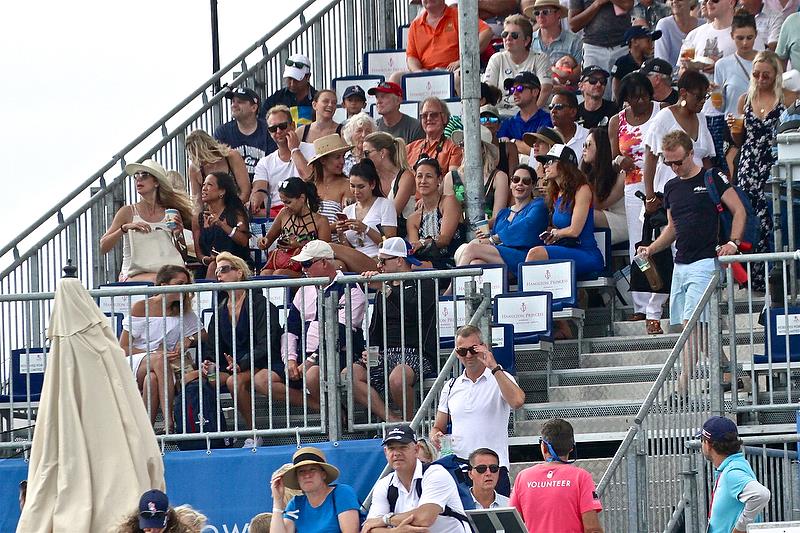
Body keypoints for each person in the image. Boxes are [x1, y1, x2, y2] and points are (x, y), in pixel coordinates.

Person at [637, 131, 745, 393]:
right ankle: (731, 375)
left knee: (691, 325)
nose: (674, 168)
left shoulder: (711, 177)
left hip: (706, 260)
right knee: (699, 327)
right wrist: (651, 248)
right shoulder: (672, 187)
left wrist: (733, 242)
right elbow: (673, 228)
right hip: (681, 262)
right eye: (669, 163)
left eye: (679, 162)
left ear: (690, 154)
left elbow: (739, 210)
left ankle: (682, 386)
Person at [202, 252, 300, 447]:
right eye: (217, 271)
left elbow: (267, 343)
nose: (219, 275)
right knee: (205, 379)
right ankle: (216, 433)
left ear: (239, 273)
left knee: (234, 383)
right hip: (233, 365)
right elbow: (213, 347)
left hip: (261, 362)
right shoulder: (220, 309)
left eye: (224, 269)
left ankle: (253, 432)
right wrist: (209, 364)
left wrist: (242, 363)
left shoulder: (260, 304)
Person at [430, 325, 525, 497]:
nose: (467, 356)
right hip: (460, 467)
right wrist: (435, 435)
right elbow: (438, 426)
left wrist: (494, 367)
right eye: (462, 351)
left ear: (483, 347)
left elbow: (518, 401)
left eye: (473, 350)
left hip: (492, 468)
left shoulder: (500, 377)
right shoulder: (451, 386)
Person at [349, 237, 437, 422]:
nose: (379, 265)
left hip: (416, 352)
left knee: (398, 377)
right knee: (350, 375)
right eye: (378, 261)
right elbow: (375, 328)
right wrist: (369, 351)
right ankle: (392, 420)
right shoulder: (385, 288)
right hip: (385, 353)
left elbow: (413, 314)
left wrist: (387, 291)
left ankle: (410, 424)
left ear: (399, 260)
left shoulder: (424, 282)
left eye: (383, 261)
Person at [609, 72, 667, 330]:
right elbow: (613, 157)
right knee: (639, 245)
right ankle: (641, 305)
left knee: (664, 241)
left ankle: (662, 299)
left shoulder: (662, 111)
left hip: (663, 180)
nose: (640, 102)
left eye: (644, 96)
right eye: (633, 98)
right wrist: (620, 161)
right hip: (634, 187)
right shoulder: (616, 121)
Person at [281, 240, 366, 413]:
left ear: (324, 262)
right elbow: (290, 328)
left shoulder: (350, 287)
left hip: (341, 354)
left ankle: (334, 415)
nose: (303, 270)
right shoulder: (303, 290)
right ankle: (329, 410)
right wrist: (290, 358)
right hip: (304, 356)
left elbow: (341, 333)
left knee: (312, 374)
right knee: (262, 380)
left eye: (306, 264)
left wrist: (311, 360)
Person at [119, 265, 201, 433]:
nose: (184, 289)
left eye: (187, 284)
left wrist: (189, 339)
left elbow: (204, 335)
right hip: (138, 360)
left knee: (152, 379)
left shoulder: (183, 309)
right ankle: (169, 420)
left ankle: (145, 431)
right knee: (158, 360)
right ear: (163, 285)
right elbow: (124, 347)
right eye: (180, 283)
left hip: (165, 366)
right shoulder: (141, 307)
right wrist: (155, 354)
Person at [729, 50, 786, 291]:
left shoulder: (785, 97)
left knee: (774, 219)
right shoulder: (745, 99)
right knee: (752, 219)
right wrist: (734, 129)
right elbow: (740, 142)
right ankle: (754, 278)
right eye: (756, 74)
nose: (761, 79)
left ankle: (776, 275)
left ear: (775, 75)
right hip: (750, 165)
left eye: (766, 75)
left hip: (773, 162)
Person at [100, 159, 193, 282]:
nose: (138, 179)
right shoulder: (128, 212)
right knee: (162, 281)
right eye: (136, 176)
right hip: (134, 274)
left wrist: (178, 233)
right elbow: (103, 246)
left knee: (174, 280)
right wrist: (124, 228)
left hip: (166, 273)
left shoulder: (170, 212)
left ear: (156, 182)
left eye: (144, 175)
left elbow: (183, 255)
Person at [364, 424, 469, 532]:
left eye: (403, 447)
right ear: (386, 452)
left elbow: (424, 518)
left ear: (416, 449)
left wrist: (385, 519)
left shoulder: (436, 473)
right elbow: (368, 529)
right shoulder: (384, 484)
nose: (396, 454)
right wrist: (395, 531)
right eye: (391, 448)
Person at [510, 419, 604, 533]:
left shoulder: (523, 477)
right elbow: (592, 529)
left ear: (544, 446)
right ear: (571, 447)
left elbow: (512, 524)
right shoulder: (581, 477)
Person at [643, 70, 716, 214]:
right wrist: (650, 197)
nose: (703, 101)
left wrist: (712, 188)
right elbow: (650, 159)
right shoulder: (664, 117)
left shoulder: (701, 118)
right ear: (683, 93)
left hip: (698, 193)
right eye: (698, 96)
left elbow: (706, 158)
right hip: (669, 192)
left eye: (705, 97)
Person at [526, 144, 605, 278]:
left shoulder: (582, 189)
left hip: (586, 253)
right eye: (544, 163)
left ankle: (530, 298)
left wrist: (556, 233)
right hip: (567, 249)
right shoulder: (557, 194)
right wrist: (551, 235)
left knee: (535, 254)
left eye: (549, 162)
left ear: (564, 165)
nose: (545, 166)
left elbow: (574, 231)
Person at [456, 164, 548, 272]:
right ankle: (465, 288)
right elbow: (493, 239)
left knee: (472, 248)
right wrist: (486, 237)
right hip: (502, 258)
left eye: (526, 181)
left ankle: (454, 287)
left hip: (526, 256)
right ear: (511, 184)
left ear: (533, 185)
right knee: (476, 263)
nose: (520, 184)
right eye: (516, 180)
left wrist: (493, 239)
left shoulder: (538, 205)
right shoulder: (503, 213)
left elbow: (526, 226)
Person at [698, 416, 771, 533]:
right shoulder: (736, 465)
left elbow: (762, 494)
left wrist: (740, 529)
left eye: (702, 440)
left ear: (708, 444)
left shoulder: (731, 473)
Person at [270, 447, 361, 533]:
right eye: (301, 471)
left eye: (312, 469)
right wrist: (277, 501)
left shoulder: (342, 492)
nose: (307, 475)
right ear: (297, 478)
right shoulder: (296, 503)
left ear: (323, 474)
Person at [401, 0, 493, 82]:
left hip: (454, 71)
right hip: (425, 73)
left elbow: (487, 32)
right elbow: (412, 57)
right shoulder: (415, 25)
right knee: (396, 77)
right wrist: (417, 71)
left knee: (459, 77)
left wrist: (463, 60)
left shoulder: (459, 15)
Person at [257, 177, 331, 277]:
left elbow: (326, 253)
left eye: (288, 202)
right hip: (281, 262)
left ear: (302, 198)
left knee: (280, 274)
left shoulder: (320, 221)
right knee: (265, 274)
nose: (285, 206)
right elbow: (267, 241)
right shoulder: (283, 213)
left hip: (306, 267)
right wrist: (262, 242)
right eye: (283, 202)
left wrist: (299, 245)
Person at [251, 105, 315, 218]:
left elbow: (309, 177)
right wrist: (255, 199)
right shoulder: (265, 162)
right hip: (277, 216)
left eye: (283, 126)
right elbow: (259, 189)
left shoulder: (312, 149)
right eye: (273, 129)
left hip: (307, 211)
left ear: (293, 126)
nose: (278, 131)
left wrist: (294, 150)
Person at [483, 14, 554, 114]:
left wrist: (530, 115)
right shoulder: (496, 58)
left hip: (535, 115)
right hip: (502, 116)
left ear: (526, 40)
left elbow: (545, 90)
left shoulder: (540, 58)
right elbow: (488, 93)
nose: (508, 38)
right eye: (505, 34)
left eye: (514, 35)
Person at [407, 156, 465, 269]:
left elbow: (444, 239)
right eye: (419, 176)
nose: (423, 181)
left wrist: (422, 243)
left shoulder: (449, 201)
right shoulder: (413, 218)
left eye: (428, 176)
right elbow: (414, 249)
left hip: (453, 262)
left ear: (439, 180)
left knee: (414, 267)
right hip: (424, 263)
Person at [568, 0, 633, 99]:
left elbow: (628, 4)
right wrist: (597, 3)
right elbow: (573, 25)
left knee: (624, 93)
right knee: (592, 93)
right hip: (593, 47)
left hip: (622, 45)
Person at [445, 126, 510, 222]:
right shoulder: (450, 177)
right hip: (458, 233)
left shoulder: (499, 177)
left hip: (487, 233)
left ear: (483, 148)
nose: (464, 148)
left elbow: (497, 218)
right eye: (462, 144)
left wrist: (480, 229)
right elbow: (448, 216)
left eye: (469, 144)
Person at [193, 172, 251, 279]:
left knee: (214, 266)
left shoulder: (235, 214)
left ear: (222, 192)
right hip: (208, 266)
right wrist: (206, 259)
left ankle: (211, 295)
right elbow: (199, 254)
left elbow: (244, 241)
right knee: (211, 266)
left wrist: (222, 225)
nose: (204, 188)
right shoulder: (198, 218)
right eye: (204, 184)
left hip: (235, 264)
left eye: (209, 185)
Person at [336, 160, 398, 259]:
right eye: (352, 186)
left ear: (372, 185)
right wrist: (340, 235)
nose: (356, 192)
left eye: (361, 187)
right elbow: (349, 251)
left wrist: (366, 229)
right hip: (355, 259)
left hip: (378, 258)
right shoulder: (347, 210)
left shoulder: (385, 205)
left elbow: (390, 244)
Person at [214, 87, 276, 181]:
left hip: (264, 185)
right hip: (233, 189)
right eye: (233, 101)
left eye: (240, 102)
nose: (233, 105)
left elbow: (274, 165)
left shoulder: (269, 129)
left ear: (254, 107)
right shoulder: (222, 132)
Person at [363, 131, 416, 237]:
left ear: (382, 153)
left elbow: (392, 214)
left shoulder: (406, 177)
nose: (364, 158)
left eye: (366, 153)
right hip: (373, 233)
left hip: (400, 238)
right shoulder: (371, 178)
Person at [581, 128, 627, 245]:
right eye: (583, 145)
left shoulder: (619, 174)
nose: (584, 149)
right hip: (603, 216)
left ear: (601, 148)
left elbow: (598, 204)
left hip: (621, 221)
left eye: (589, 145)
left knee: (584, 212)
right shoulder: (588, 172)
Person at [186, 129, 250, 209]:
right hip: (211, 214)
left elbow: (245, 192)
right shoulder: (195, 168)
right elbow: (198, 205)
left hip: (237, 208)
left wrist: (230, 212)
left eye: (199, 155)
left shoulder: (232, 156)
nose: (198, 160)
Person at [714, 11, 759, 119]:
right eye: (740, 38)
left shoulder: (767, 61)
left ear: (756, 35)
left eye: (749, 38)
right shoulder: (722, 65)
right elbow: (720, 108)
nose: (745, 43)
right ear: (732, 36)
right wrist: (714, 93)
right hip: (733, 125)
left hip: (761, 123)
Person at [497, 72, 553, 156]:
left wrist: (512, 142)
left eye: (520, 88)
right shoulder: (508, 123)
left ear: (535, 92)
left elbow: (541, 152)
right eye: (512, 90)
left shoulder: (548, 120)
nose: (515, 93)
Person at [306, 134, 354, 231]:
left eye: (343, 157)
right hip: (307, 243)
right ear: (323, 160)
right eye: (337, 157)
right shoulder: (309, 186)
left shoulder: (347, 185)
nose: (342, 161)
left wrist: (317, 230)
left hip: (335, 243)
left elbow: (347, 222)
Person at [406, 97, 464, 172]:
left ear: (445, 118)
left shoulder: (454, 147)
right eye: (424, 116)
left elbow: (452, 180)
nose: (428, 118)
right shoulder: (409, 149)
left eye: (434, 115)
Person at [261, 53, 316, 125]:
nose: (292, 84)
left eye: (297, 79)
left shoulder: (317, 98)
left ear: (308, 76)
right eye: (289, 78)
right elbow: (263, 120)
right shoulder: (276, 98)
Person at [527, 0, 584, 67]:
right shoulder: (528, 41)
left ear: (558, 14)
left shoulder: (575, 42)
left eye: (545, 12)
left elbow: (579, 73)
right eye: (537, 13)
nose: (540, 16)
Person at [611, 27, 662, 100]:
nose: (652, 45)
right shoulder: (622, 62)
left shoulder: (651, 63)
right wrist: (619, 102)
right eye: (648, 41)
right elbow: (616, 85)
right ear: (634, 42)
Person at [654, 0, 701, 68]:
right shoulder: (664, 24)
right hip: (671, 76)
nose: (674, 1)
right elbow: (661, 61)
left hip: (699, 76)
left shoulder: (703, 25)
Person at [549, 88, 590, 165]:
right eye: (551, 107)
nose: (553, 111)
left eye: (558, 107)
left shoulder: (588, 137)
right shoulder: (543, 139)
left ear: (573, 112)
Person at [480, 104, 519, 175]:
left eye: (493, 119)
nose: (488, 122)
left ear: (499, 126)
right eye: (483, 119)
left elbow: (513, 179)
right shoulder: (473, 150)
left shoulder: (510, 148)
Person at [341, 112, 375, 176]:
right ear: (350, 134)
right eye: (359, 131)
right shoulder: (342, 158)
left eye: (368, 131)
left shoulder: (375, 157)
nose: (363, 135)